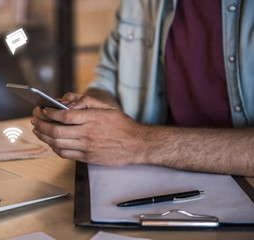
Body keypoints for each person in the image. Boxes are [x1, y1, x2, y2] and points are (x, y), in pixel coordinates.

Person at [31, 0, 254, 177]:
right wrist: (91, 121)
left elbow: (134, 142)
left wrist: (137, 142)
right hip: (149, 177)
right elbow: (106, 82)